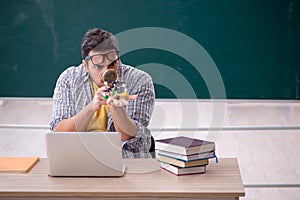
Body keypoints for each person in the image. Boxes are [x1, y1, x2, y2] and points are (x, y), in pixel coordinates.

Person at [50, 28, 155, 158]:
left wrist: (117, 109)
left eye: (112, 64)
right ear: (86, 66)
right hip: (80, 159)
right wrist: (91, 107)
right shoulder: (69, 80)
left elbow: (128, 137)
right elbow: (59, 134)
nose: (106, 71)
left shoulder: (139, 80)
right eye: (98, 66)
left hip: (126, 160)